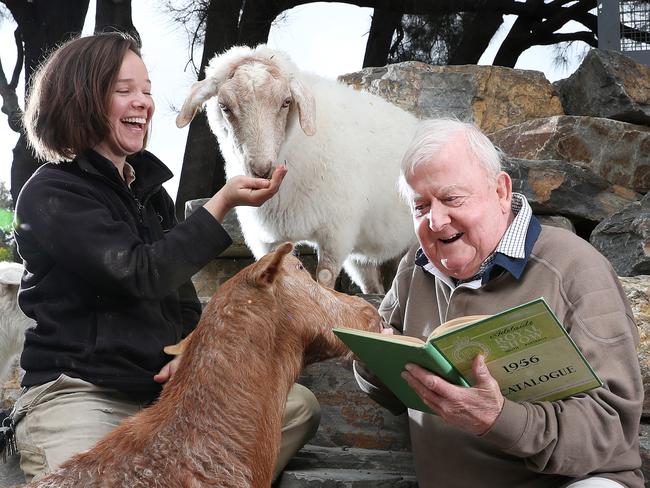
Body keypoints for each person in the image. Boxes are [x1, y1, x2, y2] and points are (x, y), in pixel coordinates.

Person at [11, 32, 319, 482]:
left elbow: (182, 301)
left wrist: (189, 350)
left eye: (148, 90)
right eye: (124, 90)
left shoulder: (149, 194)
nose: (144, 103)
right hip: (82, 394)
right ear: (80, 99)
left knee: (296, 408)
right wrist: (222, 203)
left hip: (161, 394)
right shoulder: (51, 192)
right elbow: (139, 273)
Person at [353, 118, 644, 487]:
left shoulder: (575, 268)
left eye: (451, 199)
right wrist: (368, 357)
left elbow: (612, 426)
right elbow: (392, 390)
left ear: (501, 192)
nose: (437, 220)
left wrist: (500, 419)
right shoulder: (415, 265)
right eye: (421, 206)